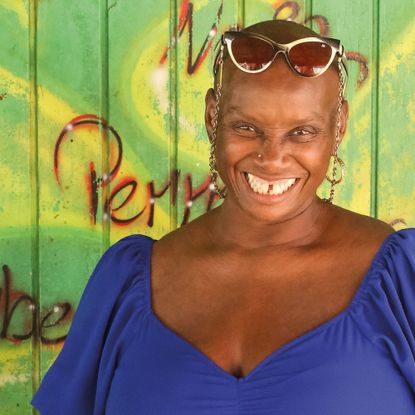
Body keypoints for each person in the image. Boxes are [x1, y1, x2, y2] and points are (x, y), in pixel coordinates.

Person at [31, 19, 415, 414]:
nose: (272, 157)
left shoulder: (401, 279)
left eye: (302, 132)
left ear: (339, 127)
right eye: (246, 127)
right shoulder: (130, 282)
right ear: (213, 116)